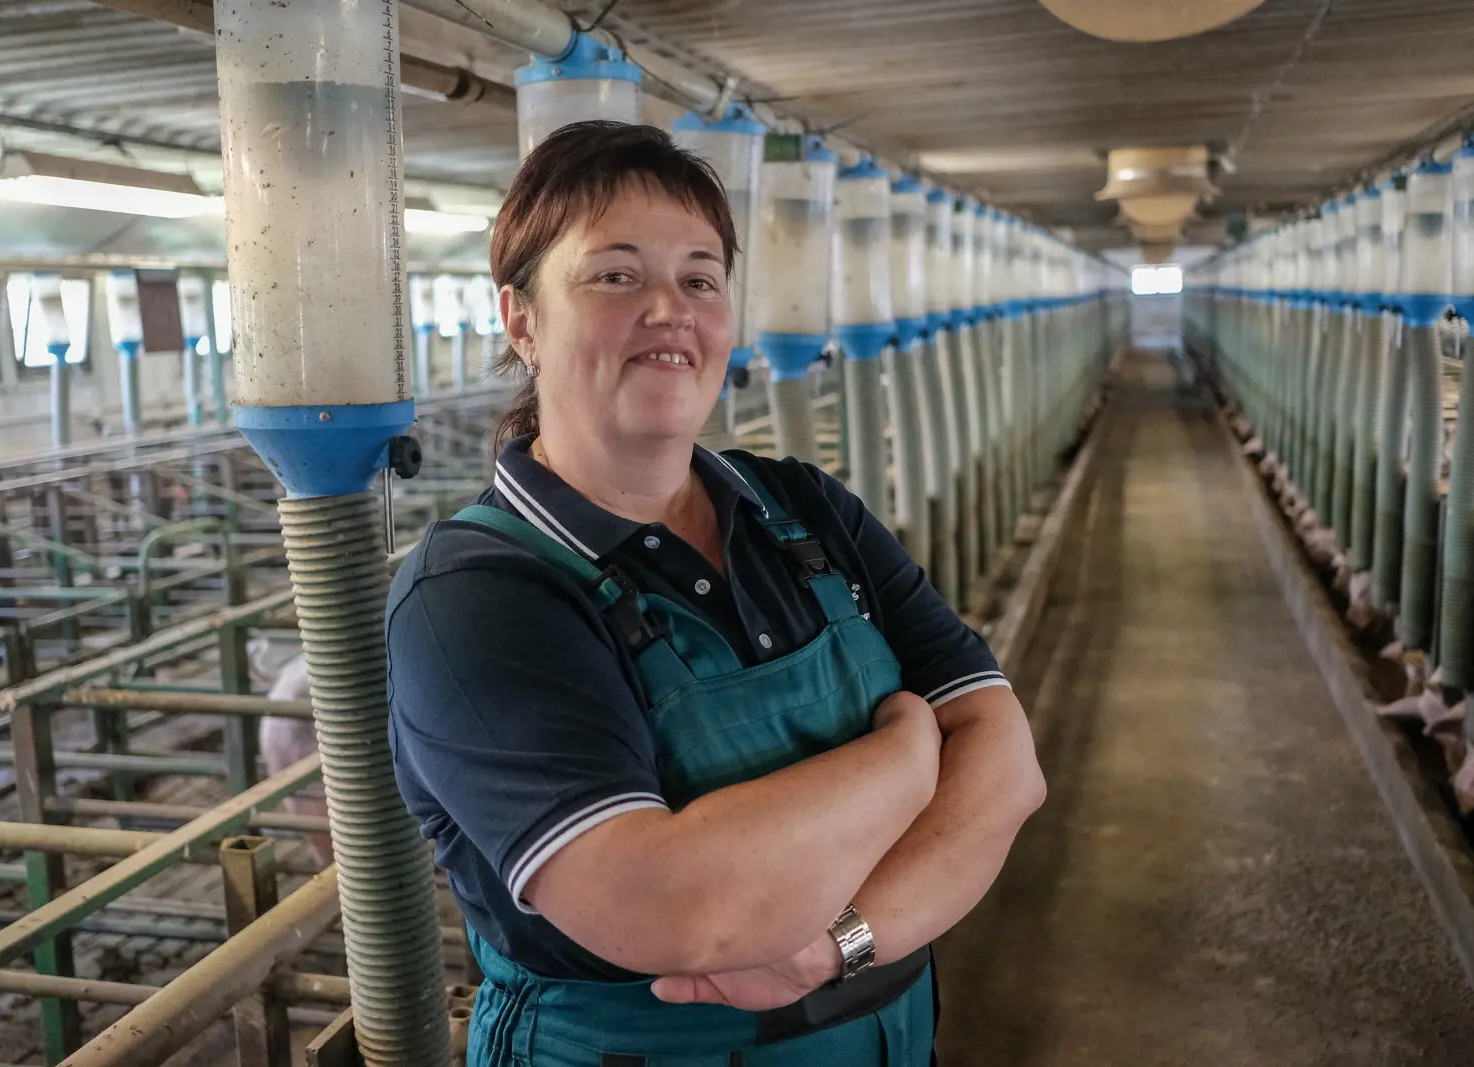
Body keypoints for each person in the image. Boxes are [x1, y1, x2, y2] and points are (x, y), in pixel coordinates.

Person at [386, 120, 1045, 1067]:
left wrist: (835, 944)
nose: (670, 309)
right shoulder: (477, 597)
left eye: (700, 278)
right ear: (521, 319)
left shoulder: (805, 510)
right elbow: (676, 906)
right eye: (615, 275)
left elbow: (1008, 769)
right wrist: (909, 757)